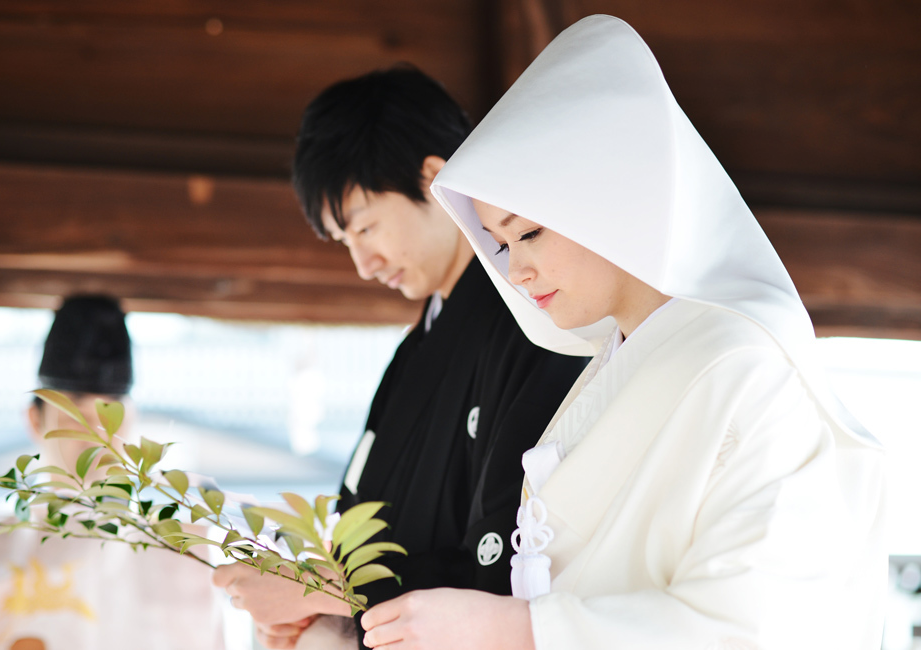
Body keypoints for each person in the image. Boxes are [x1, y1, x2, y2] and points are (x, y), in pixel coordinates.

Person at [358, 16, 886, 650]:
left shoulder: (747, 364)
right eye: (500, 245)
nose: (516, 271)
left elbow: (761, 624)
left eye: (528, 233)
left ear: (608, 197)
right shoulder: (611, 365)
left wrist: (519, 630)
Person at [211, 67, 589, 649]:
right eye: (346, 242)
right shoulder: (413, 350)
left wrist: (325, 593)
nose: (363, 264)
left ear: (433, 179)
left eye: (365, 228)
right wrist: (314, 609)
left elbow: (506, 561)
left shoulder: (534, 323)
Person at [0, 295, 227, 650]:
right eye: (74, 415)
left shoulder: (181, 557)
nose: (96, 435)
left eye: (110, 414)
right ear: (35, 420)